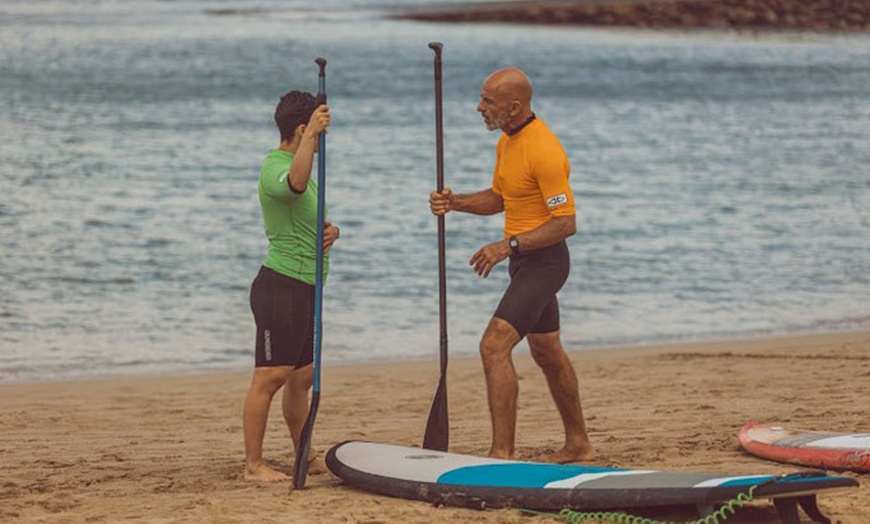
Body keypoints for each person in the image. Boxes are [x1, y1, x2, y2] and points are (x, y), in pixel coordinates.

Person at [428, 67, 595, 464]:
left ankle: (501, 454)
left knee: (493, 346)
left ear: (514, 106)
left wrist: (508, 245)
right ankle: (579, 444)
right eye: (482, 98)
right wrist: (457, 203)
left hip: (546, 262)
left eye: (489, 101)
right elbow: (502, 198)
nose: (479, 107)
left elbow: (565, 223)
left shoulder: (544, 150)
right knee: (547, 351)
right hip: (524, 262)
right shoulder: (508, 141)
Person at [242, 90, 339, 481]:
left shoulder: (304, 169)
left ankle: (305, 454)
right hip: (280, 286)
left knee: (301, 377)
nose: (322, 140)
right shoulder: (275, 167)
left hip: (307, 287)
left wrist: (331, 230)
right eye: (316, 131)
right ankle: (254, 465)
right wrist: (313, 136)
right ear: (302, 129)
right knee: (271, 376)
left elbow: (303, 216)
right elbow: (294, 185)